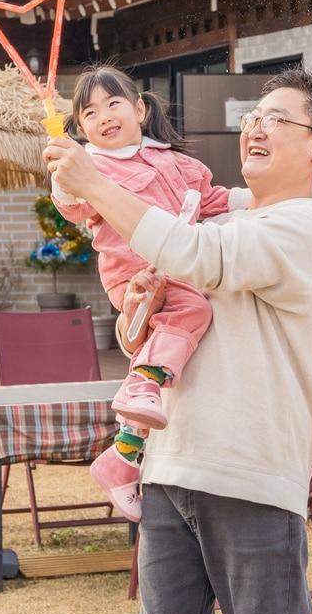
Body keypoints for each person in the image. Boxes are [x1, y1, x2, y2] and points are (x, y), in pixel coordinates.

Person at [44, 66, 312, 614]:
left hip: (250, 475)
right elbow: (148, 336)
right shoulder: (217, 216)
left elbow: (195, 254)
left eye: (277, 119)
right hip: (168, 466)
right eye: (254, 117)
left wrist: (95, 181)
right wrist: (136, 310)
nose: (256, 128)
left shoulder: (307, 227)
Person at [50, 65, 251, 520]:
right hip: (136, 278)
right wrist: (64, 174)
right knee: (192, 312)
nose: (103, 115)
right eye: (89, 113)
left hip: (178, 272)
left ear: (140, 108)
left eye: (113, 103)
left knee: (184, 320)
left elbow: (209, 201)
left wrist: (255, 199)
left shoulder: (179, 163)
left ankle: (121, 457)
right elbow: (72, 205)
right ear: (81, 130)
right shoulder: (93, 168)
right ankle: (142, 384)